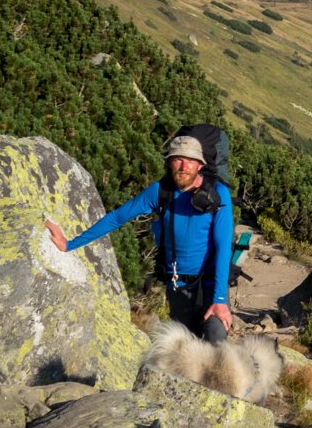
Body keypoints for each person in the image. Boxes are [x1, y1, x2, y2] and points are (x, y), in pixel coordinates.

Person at [46, 135, 234, 344]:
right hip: (177, 285)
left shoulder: (218, 193)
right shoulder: (160, 191)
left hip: (211, 281)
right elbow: (117, 217)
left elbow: (223, 246)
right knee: (185, 350)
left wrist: (219, 298)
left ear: (200, 164)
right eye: (177, 160)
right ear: (169, 163)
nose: (183, 166)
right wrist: (70, 244)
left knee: (216, 342)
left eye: (189, 160)